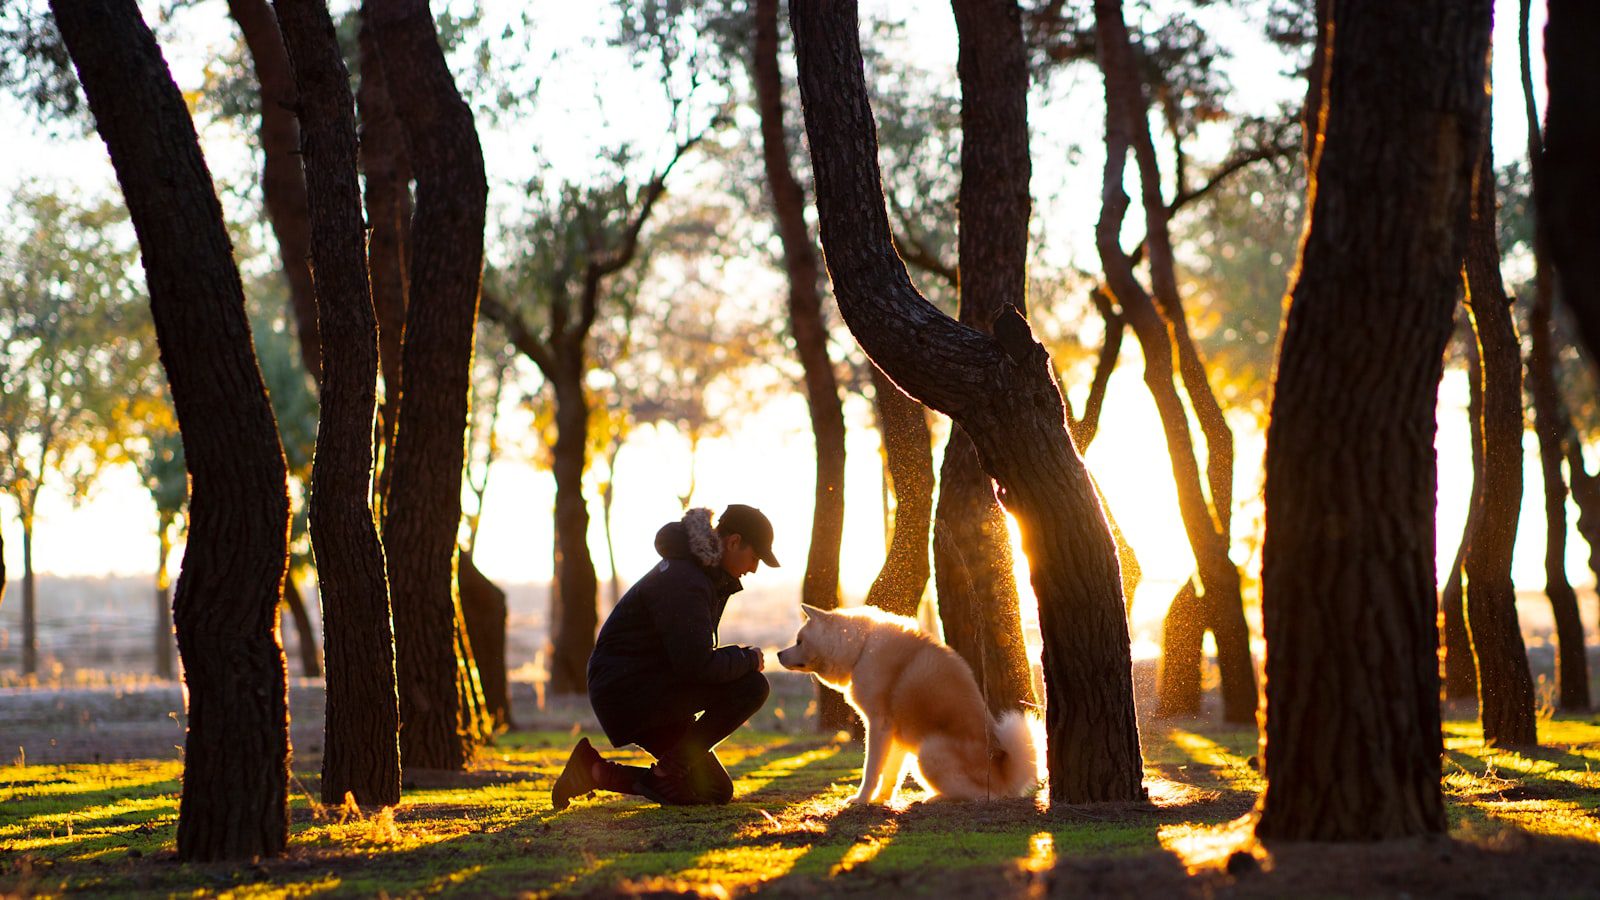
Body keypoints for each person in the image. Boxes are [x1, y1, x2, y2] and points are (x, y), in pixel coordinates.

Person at [551, 504, 778, 809]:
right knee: (752, 686)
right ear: (734, 542)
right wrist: (747, 659)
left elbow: (690, 658)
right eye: (755, 558)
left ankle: (593, 771)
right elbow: (696, 665)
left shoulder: (701, 575)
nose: (753, 568)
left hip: (646, 688)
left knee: (713, 791)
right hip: (630, 692)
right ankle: (666, 773)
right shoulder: (686, 580)